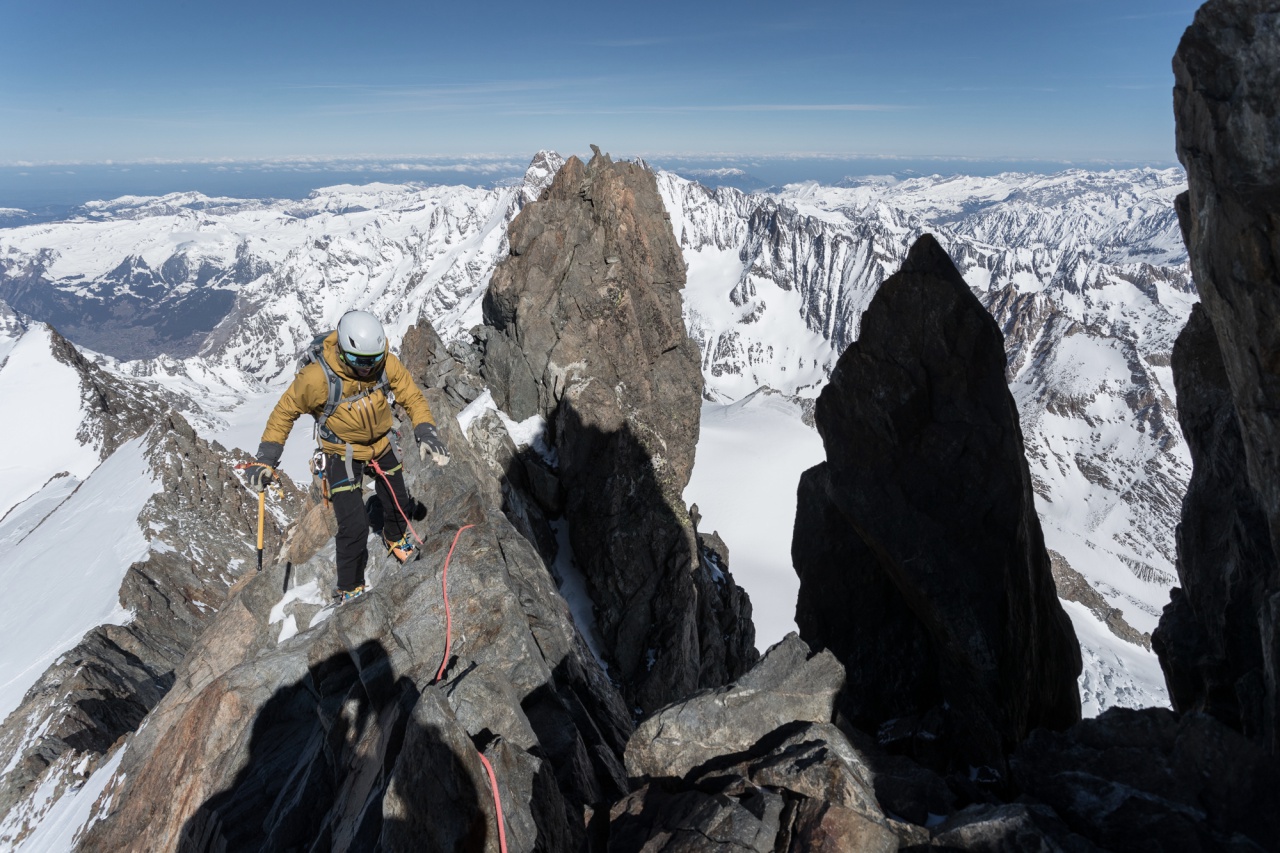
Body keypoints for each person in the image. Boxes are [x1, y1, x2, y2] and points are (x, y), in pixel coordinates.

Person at [245, 310, 450, 604]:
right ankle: (349, 586)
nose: (368, 369)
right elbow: (284, 413)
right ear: (342, 351)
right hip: (340, 452)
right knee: (353, 526)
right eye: (359, 362)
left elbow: (411, 397)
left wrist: (426, 431)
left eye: (374, 360)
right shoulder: (316, 379)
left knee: (399, 500)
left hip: (380, 442)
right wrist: (266, 458)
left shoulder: (385, 364)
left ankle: (394, 537)